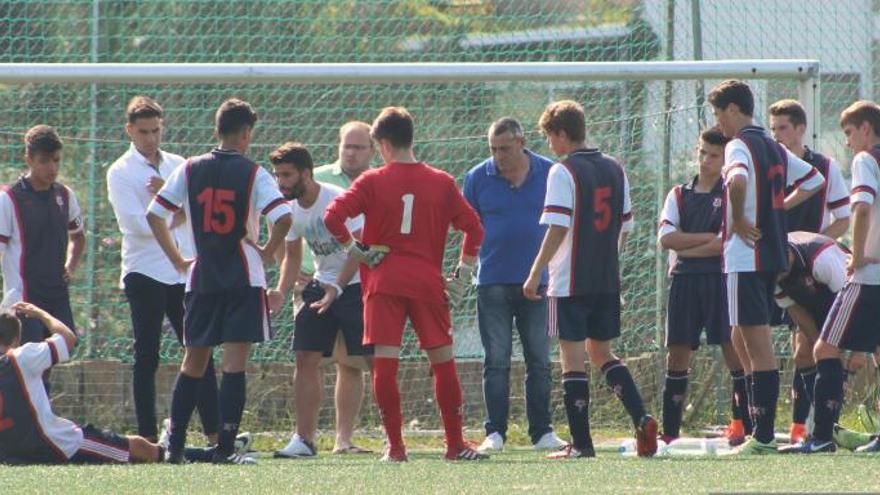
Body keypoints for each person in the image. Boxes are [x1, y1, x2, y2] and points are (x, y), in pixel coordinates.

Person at [323, 106, 486, 462]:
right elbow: (474, 228)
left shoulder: (371, 180)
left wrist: (356, 250)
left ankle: (396, 448)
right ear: (412, 138)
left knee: (385, 364)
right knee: (443, 361)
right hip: (428, 281)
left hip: (384, 282)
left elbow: (332, 216)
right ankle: (455, 445)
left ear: (382, 144)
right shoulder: (441, 181)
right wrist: (462, 272)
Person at [147, 98, 292, 465]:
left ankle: (175, 444)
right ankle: (225, 447)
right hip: (243, 277)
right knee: (234, 364)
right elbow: (284, 216)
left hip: (202, 277)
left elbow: (155, 214)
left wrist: (178, 260)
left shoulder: (190, 168)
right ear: (247, 135)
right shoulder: (254, 172)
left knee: (193, 360)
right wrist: (266, 250)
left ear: (216, 130)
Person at [523, 100, 657, 459]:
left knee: (572, 358)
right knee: (602, 351)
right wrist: (608, 261)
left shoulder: (562, 172)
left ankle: (582, 445)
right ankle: (641, 416)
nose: (549, 145)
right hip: (606, 281)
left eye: (550, 137)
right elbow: (625, 227)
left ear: (562, 135)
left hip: (569, 282)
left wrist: (536, 272)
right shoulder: (615, 168)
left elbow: (557, 226)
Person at [709, 80, 824, 454]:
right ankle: (761, 427)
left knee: (754, 344)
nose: (718, 122)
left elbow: (738, 178)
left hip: (747, 255)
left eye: (717, 114)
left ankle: (760, 435)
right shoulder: (773, 146)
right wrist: (777, 208)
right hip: (771, 253)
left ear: (731, 110)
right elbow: (813, 179)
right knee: (746, 339)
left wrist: (741, 218)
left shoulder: (739, 144)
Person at [0, 302, 242, 465]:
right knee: (140, 449)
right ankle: (207, 455)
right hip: (55, 445)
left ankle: (196, 451)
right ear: (17, 339)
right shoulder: (21, 357)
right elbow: (68, 338)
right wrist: (39, 313)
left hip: (9, 455)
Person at [106, 95, 220, 443]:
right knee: (147, 353)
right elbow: (137, 225)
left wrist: (172, 205)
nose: (151, 138)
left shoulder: (179, 165)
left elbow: (198, 210)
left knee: (199, 347)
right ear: (130, 131)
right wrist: (171, 206)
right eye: (143, 132)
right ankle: (146, 438)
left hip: (182, 269)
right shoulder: (120, 171)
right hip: (144, 270)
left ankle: (216, 435)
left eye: (156, 130)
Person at [462, 117, 565, 453]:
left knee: (539, 359)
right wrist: (463, 267)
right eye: (493, 149)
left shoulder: (551, 173)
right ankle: (495, 432)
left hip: (539, 281)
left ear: (522, 142)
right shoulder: (477, 177)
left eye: (504, 148)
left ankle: (542, 432)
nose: (498, 156)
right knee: (497, 359)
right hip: (491, 281)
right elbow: (469, 227)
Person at [266, 142, 373, 457]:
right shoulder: (289, 209)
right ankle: (304, 440)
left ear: (306, 173)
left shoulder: (336, 199)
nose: (280, 183)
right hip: (321, 284)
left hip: (356, 284)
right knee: (305, 357)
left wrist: (338, 288)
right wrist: (280, 292)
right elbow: (293, 254)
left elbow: (360, 246)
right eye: (277, 176)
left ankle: (392, 437)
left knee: (373, 360)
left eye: (286, 175)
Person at [789, 100, 880, 454]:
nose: (847, 142)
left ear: (866, 130)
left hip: (868, 276)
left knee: (825, 348)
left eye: (848, 133)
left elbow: (860, 207)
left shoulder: (866, 159)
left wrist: (856, 255)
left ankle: (822, 437)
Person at [657, 127, 749, 445]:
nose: (706, 160)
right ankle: (669, 433)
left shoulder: (731, 194)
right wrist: (703, 241)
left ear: (725, 160)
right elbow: (666, 239)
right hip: (683, 280)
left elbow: (727, 244)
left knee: (734, 350)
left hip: (720, 279)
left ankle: (745, 427)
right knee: (677, 354)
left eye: (714, 155)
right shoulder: (679, 194)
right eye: (703, 153)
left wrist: (686, 246)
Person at [769, 98, 851, 442]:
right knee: (800, 345)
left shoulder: (825, 167)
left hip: (817, 267)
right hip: (780, 268)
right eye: (773, 130)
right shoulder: (769, 167)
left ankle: (819, 424)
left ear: (801, 128)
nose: (778, 136)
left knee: (819, 346)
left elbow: (844, 217)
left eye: (783, 128)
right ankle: (801, 426)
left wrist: (817, 243)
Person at [0, 125, 84, 346]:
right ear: (28, 159)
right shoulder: (9, 199)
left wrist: (71, 265)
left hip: (57, 293)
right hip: (24, 296)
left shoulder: (65, 195)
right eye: (44, 161)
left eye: (56, 160)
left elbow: (78, 237)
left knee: (65, 345)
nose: (52, 167)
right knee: (30, 355)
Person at [294, 121, 376, 299]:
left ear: (373, 150)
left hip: (363, 281)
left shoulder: (380, 182)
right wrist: (290, 266)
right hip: (313, 281)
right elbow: (279, 214)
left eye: (359, 148)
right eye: (347, 146)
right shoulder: (314, 178)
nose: (351, 153)